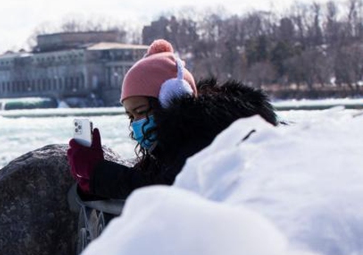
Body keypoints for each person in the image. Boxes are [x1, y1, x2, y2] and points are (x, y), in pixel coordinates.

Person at [67, 39, 278, 201]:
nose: (135, 123)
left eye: (140, 111)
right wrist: (91, 183)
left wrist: (97, 173)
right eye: (130, 116)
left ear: (170, 98)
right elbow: (145, 180)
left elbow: (167, 189)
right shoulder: (171, 144)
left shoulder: (206, 134)